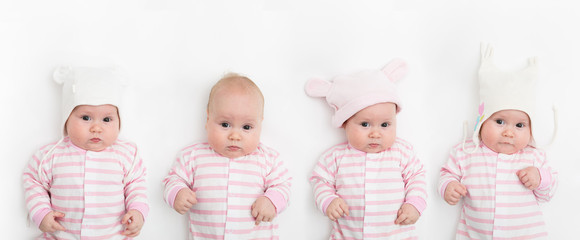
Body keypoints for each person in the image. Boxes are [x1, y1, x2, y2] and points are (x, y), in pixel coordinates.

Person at [439, 44, 558, 239]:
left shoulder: (534, 156)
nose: (509, 133)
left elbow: (548, 194)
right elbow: (447, 173)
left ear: (531, 129)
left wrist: (540, 178)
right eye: (500, 122)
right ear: (482, 121)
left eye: (520, 126)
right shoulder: (466, 152)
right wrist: (448, 185)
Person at [22, 66, 149, 239]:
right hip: (61, 235)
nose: (96, 128)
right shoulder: (51, 155)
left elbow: (137, 185)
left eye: (107, 119)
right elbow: (33, 181)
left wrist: (138, 211)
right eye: (86, 118)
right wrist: (41, 213)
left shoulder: (126, 155)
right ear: (67, 118)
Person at [306, 59, 427, 239]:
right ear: (345, 123)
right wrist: (328, 200)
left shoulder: (402, 152)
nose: (375, 134)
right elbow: (319, 180)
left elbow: (417, 177)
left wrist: (415, 203)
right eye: (365, 124)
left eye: (385, 124)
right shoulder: (335, 157)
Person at [163, 73, 291, 239]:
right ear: (208, 119)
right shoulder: (193, 156)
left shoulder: (268, 159)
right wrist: (177, 192)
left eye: (246, 127)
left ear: (260, 124)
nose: (235, 136)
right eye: (225, 124)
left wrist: (272, 201)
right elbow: (172, 180)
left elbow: (283, 185)